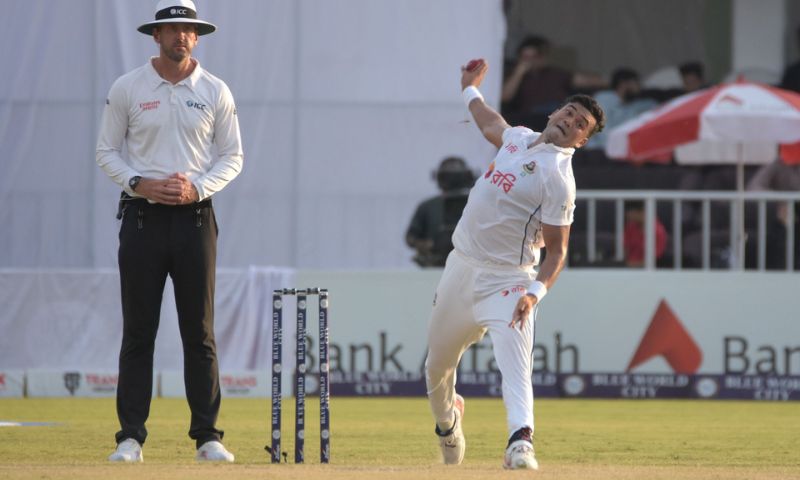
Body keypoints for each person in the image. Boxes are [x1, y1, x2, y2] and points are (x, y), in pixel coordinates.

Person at [425, 58, 604, 469]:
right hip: (461, 267)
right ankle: (448, 423)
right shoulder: (520, 137)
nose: (571, 122)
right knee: (435, 369)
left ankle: (520, 443)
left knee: (514, 360)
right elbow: (490, 124)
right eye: (569, 113)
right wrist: (470, 89)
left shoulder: (558, 178)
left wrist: (534, 293)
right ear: (554, 113)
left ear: (581, 141)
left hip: (507, 280)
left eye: (581, 125)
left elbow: (558, 251)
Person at [96, 0, 243, 463]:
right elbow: (106, 151)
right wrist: (140, 182)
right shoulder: (128, 87)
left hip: (196, 221)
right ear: (155, 36)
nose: (182, 36)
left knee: (199, 332)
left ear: (197, 37)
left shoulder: (216, 90)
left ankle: (207, 437)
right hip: (142, 219)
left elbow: (233, 157)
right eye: (173, 28)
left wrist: (197, 187)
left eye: (189, 29)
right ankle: (130, 438)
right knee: (139, 331)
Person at [501, 35, 605, 131]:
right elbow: (505, 97)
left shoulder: (556, 74)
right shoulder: (513, 76)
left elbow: (587, 80)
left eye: (535, 57)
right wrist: (519, 72)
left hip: (558, 114)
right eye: (526, 58)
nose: (530, 61)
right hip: (531, 119)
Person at [406, 157, 476, 267]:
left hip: (471, 264)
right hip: (435, 266)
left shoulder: (476, 205)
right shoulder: (427, 207)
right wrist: (422, 245)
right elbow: (410, 237)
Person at [586, 68, 657, 151]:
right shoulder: (603, 99)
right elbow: (603, 132)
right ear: (624, 84)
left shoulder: (636, 103)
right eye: (636, 83)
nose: (639, 87)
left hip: (625, 148)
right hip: (600, 150)